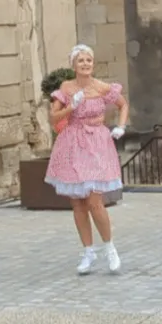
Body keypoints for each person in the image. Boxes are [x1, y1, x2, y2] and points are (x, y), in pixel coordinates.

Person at [45, 44, 129, 275]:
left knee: (94, 201)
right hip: (72, 144)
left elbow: (122, 104)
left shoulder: (102, 87)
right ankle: (88, 251)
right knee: (78, 203)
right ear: (73, 64)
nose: (85, 64)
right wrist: (72, 106)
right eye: (80, 60)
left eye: (88, 60)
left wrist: (121, 126)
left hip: (97, 144)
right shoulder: (66, 87)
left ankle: (109, 247)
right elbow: (54, 118)